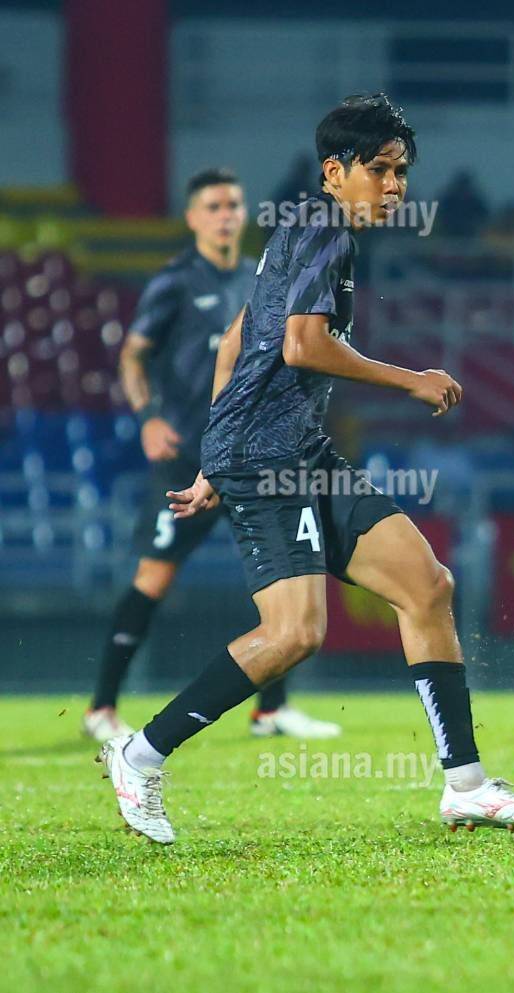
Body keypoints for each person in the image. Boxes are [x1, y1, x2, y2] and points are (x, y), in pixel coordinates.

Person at [97, 93, 514, 844]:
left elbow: (236, 342)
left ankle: (467, 786)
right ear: (335, 171)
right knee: (294, 633)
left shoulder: (302, 230)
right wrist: (410, 379)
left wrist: (213, 452)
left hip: (296, 452)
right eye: (380, 170)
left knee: (427, 585)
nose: (395, 186)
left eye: (402, 172)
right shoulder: (323, 230)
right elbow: (302, 346)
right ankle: (139, 753)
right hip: (266, 458)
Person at [83, 167, 341, 744]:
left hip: (249, 453)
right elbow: (133, 356)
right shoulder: (174, 281)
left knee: (285, 571)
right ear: (192, 217)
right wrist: (149, 417)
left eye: (233, 204)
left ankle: (271, 710)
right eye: (214, 206)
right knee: (154, 576)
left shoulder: (257, 278)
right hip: (187, 454)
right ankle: (102, 707)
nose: (226, 215)